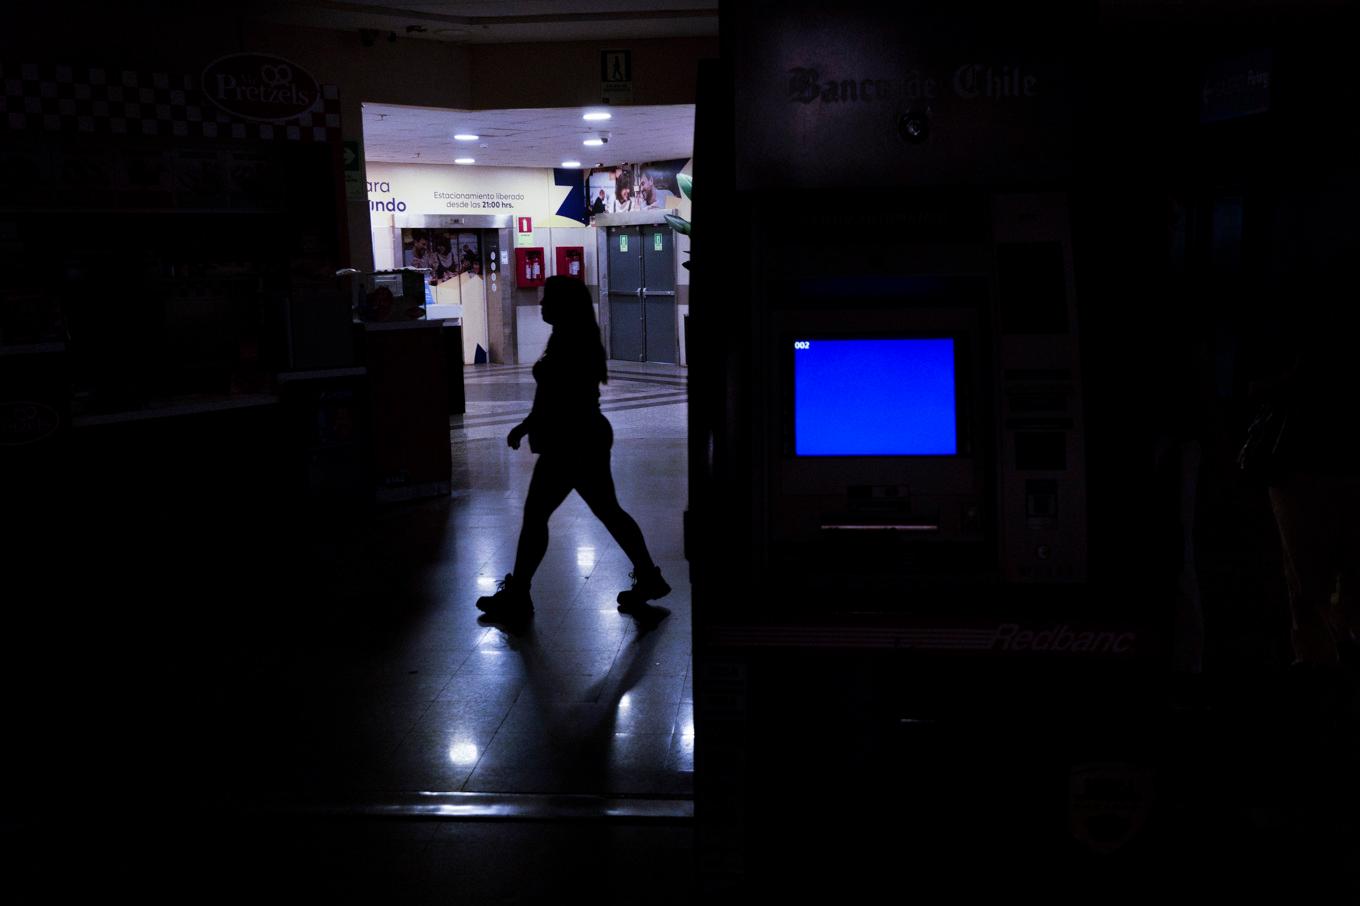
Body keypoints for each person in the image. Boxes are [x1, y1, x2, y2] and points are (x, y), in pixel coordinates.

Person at [476, 276, 669, 623]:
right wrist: (528, 424)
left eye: (547, 299)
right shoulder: (570, 336)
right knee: (608, 511)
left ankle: (519, 594)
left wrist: (532, 425)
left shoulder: (570, 341)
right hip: (583, 436)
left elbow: (560, 397)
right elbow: (553, 394)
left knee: (539, 516)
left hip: (571, 441)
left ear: (564, 305)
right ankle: (649, 577)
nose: (540, 305)